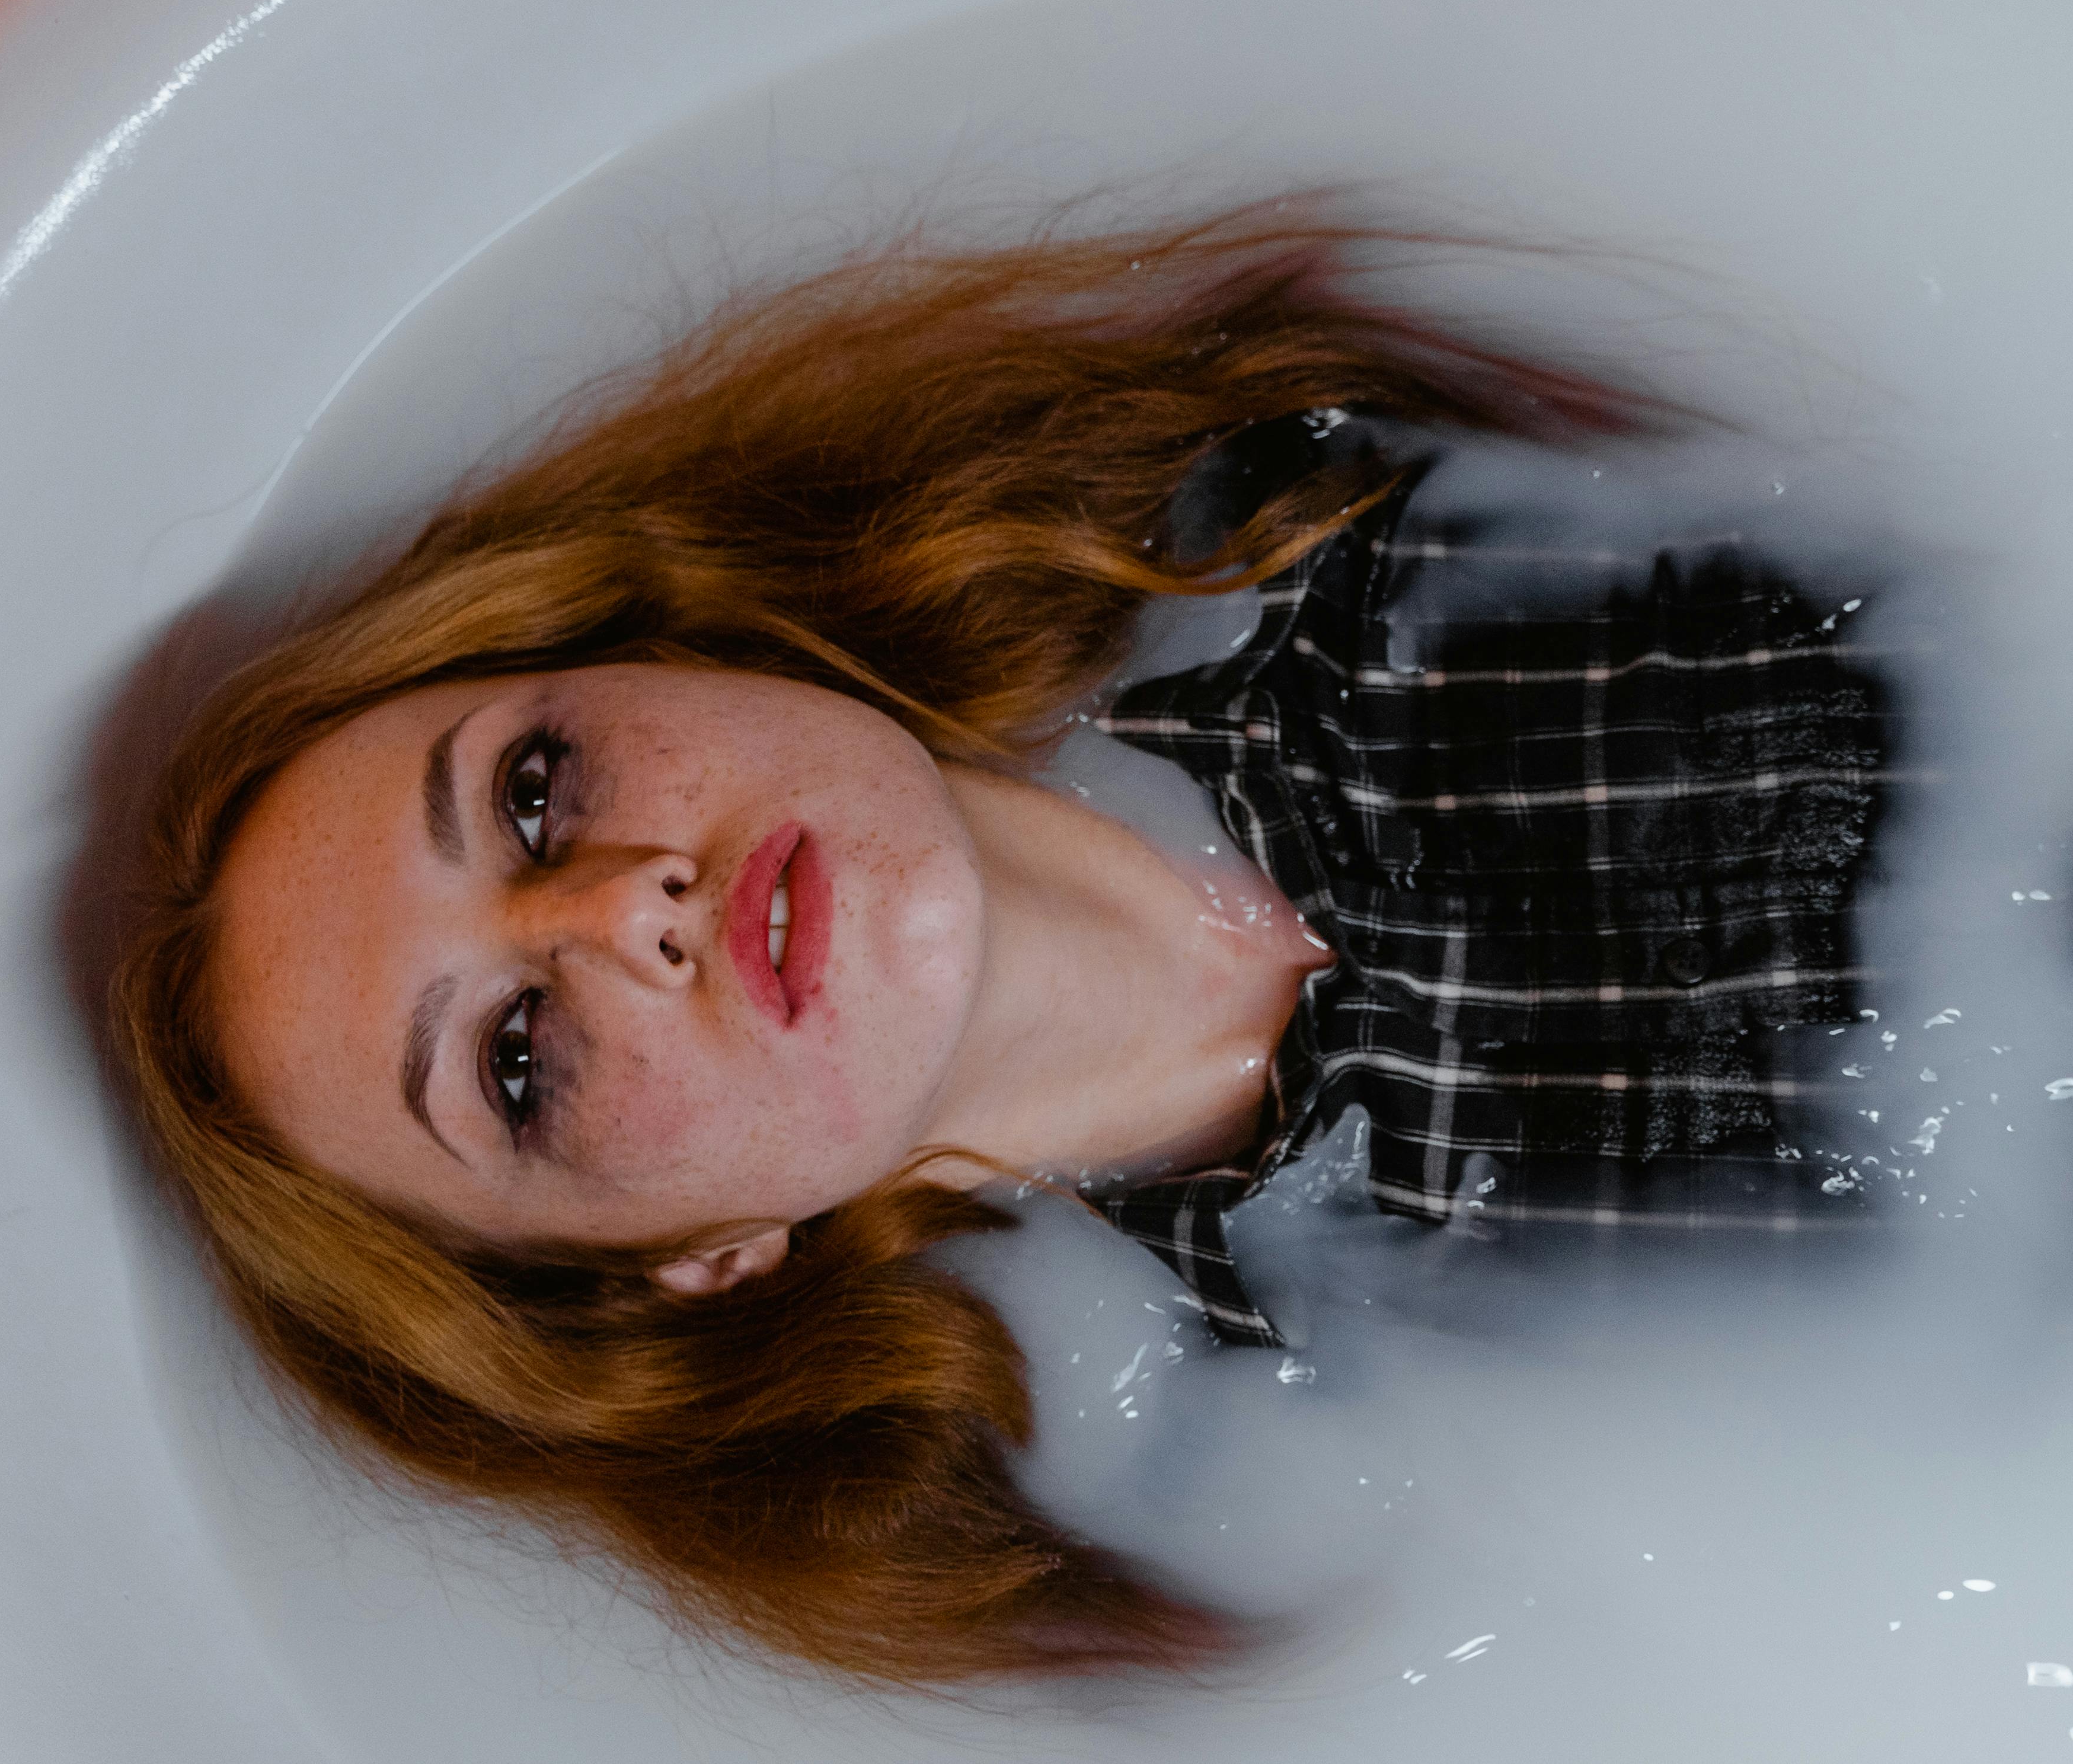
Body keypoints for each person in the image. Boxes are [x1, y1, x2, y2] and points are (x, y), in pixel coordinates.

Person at [103, 207, 1906, 1686]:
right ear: (697, 1262)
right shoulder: (1266, 1475)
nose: (619, 906)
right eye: (514, 1057)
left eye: (532, 791)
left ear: (660, 644)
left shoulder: (1329, 475)